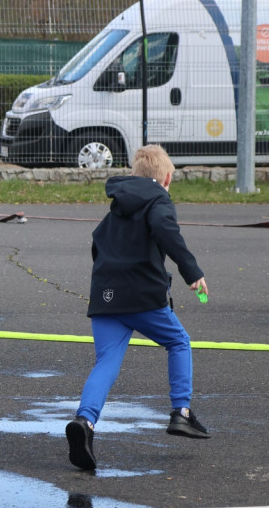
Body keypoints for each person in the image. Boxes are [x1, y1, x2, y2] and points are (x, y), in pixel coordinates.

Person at [65, 144, 211, 471]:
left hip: (105, 296)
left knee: (106, 362)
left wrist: (108, 285)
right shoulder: (159, 200)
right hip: (142, 296)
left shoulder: (116, 206)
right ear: (167, 177)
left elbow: (97, 242)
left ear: (134, 174)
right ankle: (181, 412)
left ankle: (84, 423)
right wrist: (192, 272)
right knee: (178, 342)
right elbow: (165, 230)